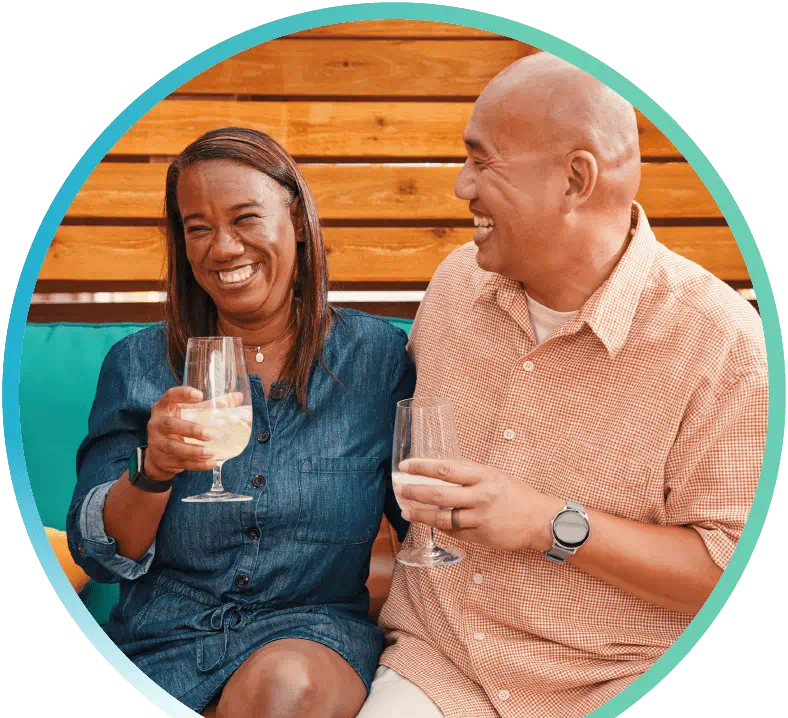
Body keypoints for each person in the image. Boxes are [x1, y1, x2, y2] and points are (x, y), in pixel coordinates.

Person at [358, 52, 768, 718]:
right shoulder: (456, 285)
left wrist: (548, 524)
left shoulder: (719, 342)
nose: (462, 186)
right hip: (440, 670)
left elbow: (730, 571)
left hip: (618, 684)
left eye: (482, 161)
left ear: (576, 178)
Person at [66, 127, 415, 718]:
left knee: (284, 686)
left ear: (298, 222)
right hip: (162, 646)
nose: (222, 248)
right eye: (197, 228)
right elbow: (99, 554)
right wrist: (154, 471)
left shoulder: (376, 359)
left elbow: (420, 525)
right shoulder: (139, 363)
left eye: (246, 219)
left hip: (312, 636)